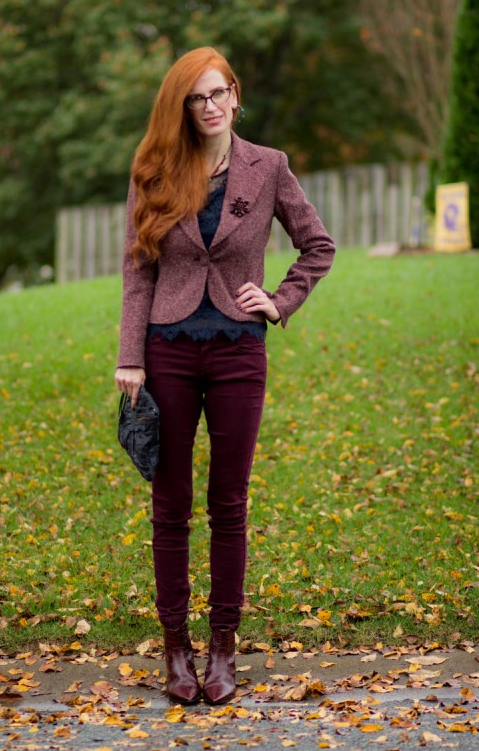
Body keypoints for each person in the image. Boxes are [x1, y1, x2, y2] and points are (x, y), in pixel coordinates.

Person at [115, 47, 335, 706]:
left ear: (236, 96)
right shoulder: (154, 168)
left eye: (219, 94)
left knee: (229, 504)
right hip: (169, 350)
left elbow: (317, 244)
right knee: (170, 504)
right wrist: (131, 355)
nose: (209, 106)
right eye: (196, 98)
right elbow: (137, 271)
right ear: (181, 106)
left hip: (240, 351)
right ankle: (176, 649)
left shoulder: (268, 167)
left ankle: (223, 649)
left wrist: (280, 300)